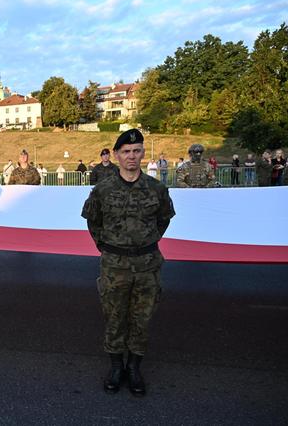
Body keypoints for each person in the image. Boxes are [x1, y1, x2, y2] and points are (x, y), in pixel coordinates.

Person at [81, 129, 175, 397]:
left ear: (143, 154)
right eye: (126, 152)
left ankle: (134, 368)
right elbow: (93, 221)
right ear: (117, 155)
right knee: (114, 317)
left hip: (147, 265)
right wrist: (106, 247)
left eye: (136, 151)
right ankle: (115, 367)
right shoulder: (103, 189)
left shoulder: (157, 188)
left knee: (142, 319)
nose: (131, 156)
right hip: (114, 265)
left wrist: (147, 241)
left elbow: (164, 219)